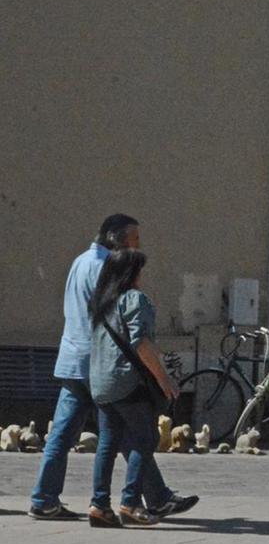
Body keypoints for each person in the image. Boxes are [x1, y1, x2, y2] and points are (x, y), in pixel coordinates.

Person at [31, 215, 196, 523]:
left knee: (70, 435)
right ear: (117, 239)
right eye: (135, 239)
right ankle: (148, 500)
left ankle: (45, 498)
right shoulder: (108, 267)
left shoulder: (79, 261)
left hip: (71, 358)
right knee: (132, 434)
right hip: (101, 366)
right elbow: (123, 325)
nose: (139, 246)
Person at [88, 249, 197, 527]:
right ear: (131, 273)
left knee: (107, 444)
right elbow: (142, 344)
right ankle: (131, 503)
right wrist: (164, 379)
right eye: (140, 270)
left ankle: (99, 505)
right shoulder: (135, 300)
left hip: (101, 383)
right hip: (128, 383)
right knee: (144, 439)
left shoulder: (102, 304)